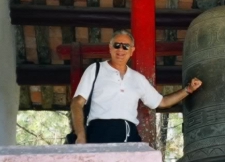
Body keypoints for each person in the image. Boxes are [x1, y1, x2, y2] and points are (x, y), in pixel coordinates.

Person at [70, 29, 202, 144]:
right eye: (117, 45)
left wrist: (188, 90)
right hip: (100, 132)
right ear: (110, 48)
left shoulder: (137, 78)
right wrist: (81, 136)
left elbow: (162, 102)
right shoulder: (95, 69)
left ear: (132, 51)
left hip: (130, 133)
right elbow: (77, 103)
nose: (121, 50)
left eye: (125, 46)